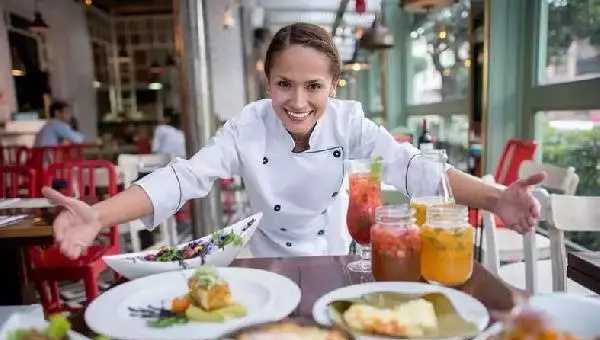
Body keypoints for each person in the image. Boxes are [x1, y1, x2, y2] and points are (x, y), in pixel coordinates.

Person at [42, 23, 544, 260]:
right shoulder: (246, 127)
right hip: (266, 261)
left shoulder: (350, 122)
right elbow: (183, 178)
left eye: (313, 86)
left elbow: (413, 168)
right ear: (267, 83)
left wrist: (497, 197)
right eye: (284, 84)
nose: (298, 101)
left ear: (333, 86)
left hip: (336, 258)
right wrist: (99, 214)